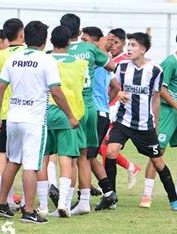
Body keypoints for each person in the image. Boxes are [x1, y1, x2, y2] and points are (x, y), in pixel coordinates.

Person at [0, 21, 78, 224]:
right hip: (33, 121)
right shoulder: (46, 61)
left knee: (13, 161)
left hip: (13, 118)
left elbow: (0, 88)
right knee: (31, 165)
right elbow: (56, 91)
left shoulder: (13, 58)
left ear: (24, 37)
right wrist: (71, 116)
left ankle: (1, 204)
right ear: (44, 40)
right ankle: (29, 211)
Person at [104, 32, 177, 211]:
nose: (128, 48)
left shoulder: (155, 70)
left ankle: (174, 199)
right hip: (123, 121)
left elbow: (156, 99)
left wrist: (155, 125)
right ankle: (111, 197)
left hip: (144, 125)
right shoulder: (121, 66)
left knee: (158, 162)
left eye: (133, 45)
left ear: (143, 49)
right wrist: (118, 93)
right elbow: (114, 88)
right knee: (110, 152)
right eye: (128, 45)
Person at [60, 13, 115, 215]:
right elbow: (111, 66)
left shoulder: (58, 51)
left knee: (67, 155)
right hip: (91, 106)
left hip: (71, 108)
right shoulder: (90, 48)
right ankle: (83, 200)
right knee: (85, 155)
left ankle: (64, 201)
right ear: (79, 31)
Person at [141, 27, 177, 208]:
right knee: (157, 153)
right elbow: (162, 89)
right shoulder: (170, 63)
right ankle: (146, 196)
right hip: (168, 114)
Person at [36, 25, 87, 217]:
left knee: (43, 157)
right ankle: (64, 203)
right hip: (68, 114)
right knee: (67, 159)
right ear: (69, 42)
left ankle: (42, 205)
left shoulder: (44, 60)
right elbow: (82, 88)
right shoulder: (80, 64)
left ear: (51, 41)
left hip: (44, 111)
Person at [80, 26, 120, 211]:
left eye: (84, 39)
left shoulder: (94, 59)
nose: (81, 42)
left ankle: (84, 197)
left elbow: (115, 87)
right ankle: (108, 192)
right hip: (101, 113)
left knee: (82, 156)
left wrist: (100, 104)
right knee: (89, 156)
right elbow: (116, 86)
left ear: (94, 42)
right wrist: (105, 103)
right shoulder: (103, 62)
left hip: (94, 112)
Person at [99, 28, 141, 189]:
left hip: (116, 109)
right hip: (107, 106)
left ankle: (108, 188)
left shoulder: (124, 61)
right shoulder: (110, 59)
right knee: (101, 146)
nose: (113, 45)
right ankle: (130, 168)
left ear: (124, 43)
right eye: (111, 41)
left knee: (104, 146)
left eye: (117, 42)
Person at [0, 18, 25, 209]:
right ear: (22, 34)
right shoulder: (31, 54)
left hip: (4, 112)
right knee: (25, 158)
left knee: (2, 155)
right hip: (26, 112)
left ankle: (2, 197)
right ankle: (29, 201)